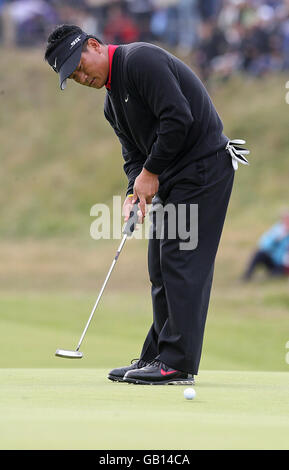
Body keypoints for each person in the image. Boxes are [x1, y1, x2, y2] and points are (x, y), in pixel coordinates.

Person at [44, 24, 249, 385]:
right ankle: (157, 356)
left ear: (93, 45)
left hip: (204, 168)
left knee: (180, 260)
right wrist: (132, 192)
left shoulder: (140, 60)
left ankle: (177, 363)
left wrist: (151, 172)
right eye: (72, 76)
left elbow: (178, 118)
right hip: (177, 176)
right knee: (159, 263)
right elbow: (133, 156)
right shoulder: (112, 104)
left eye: (79, 65)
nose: (80, 76)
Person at [242, 211, 289, 281]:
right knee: (259, 253)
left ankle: (271, 275)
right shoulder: (277, 230)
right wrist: (277, 238)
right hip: (273, 260)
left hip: (284, 265)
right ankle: (247, 276)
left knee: (276, 276)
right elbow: (263, 245)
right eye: (286, 220)